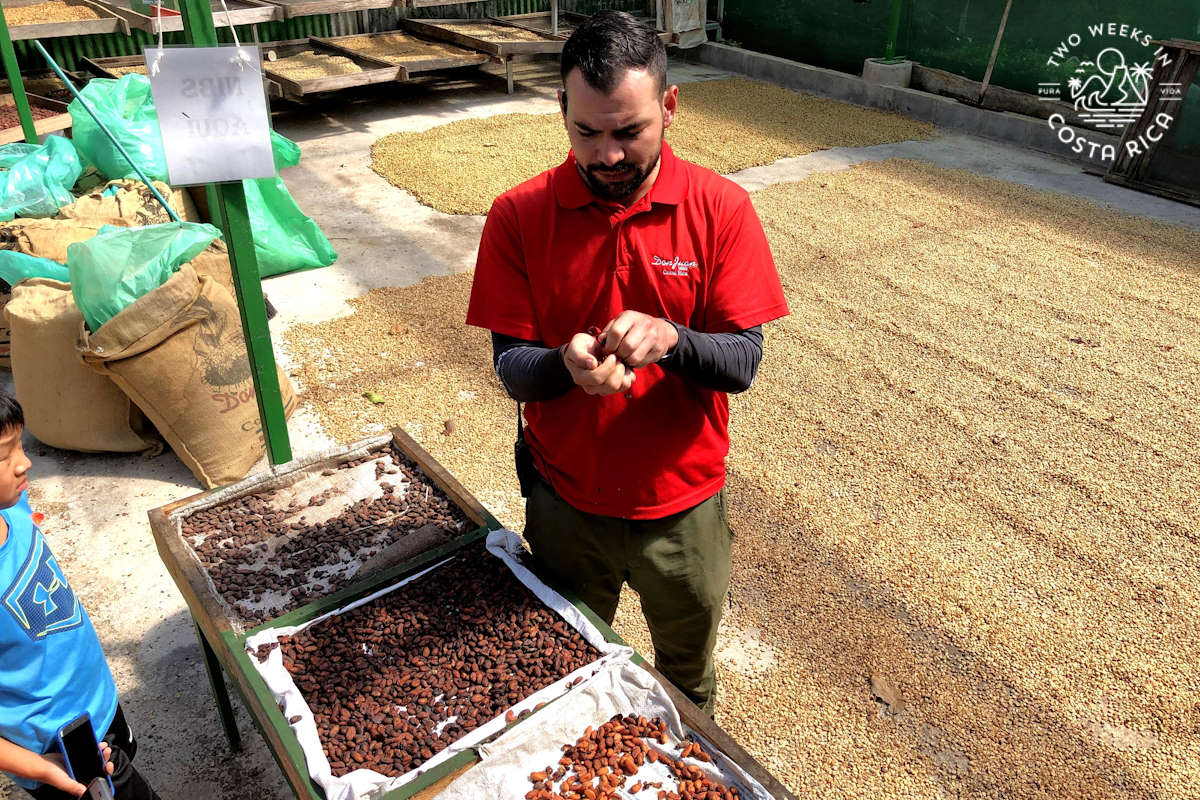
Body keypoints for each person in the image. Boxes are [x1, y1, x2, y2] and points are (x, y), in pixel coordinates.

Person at [466, 10, 788, 714]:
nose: (608, 155)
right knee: (566, 670)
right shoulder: (518, 214)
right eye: (587, 132)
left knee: (686, 679)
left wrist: (673, 339)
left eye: (629, 131)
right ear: (561, 111)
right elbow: (511, 365)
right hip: (565, 504)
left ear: (669, 108)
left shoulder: (721, 208)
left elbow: (743, 362)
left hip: (684, 510)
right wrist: (565, 368)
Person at [0, 391, 161, 800]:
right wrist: (41, 767)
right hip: (59, 752)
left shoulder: (12, 507)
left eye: (20, 445)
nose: (25, 462)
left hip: (98, 700)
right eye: (5, 455)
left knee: (127, 761)